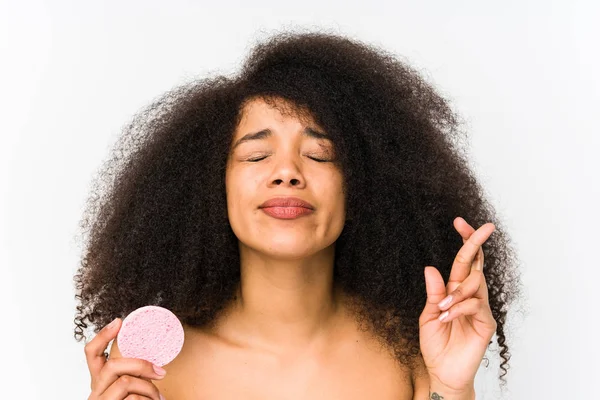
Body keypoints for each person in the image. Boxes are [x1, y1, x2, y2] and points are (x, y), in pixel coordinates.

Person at [74, 30, 523, 400]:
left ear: (364, 185)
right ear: (211, 186)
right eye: (256, 156)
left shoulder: (411, 353)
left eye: (320, 154)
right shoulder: (154, 367)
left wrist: (451, 385)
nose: (287, 172)